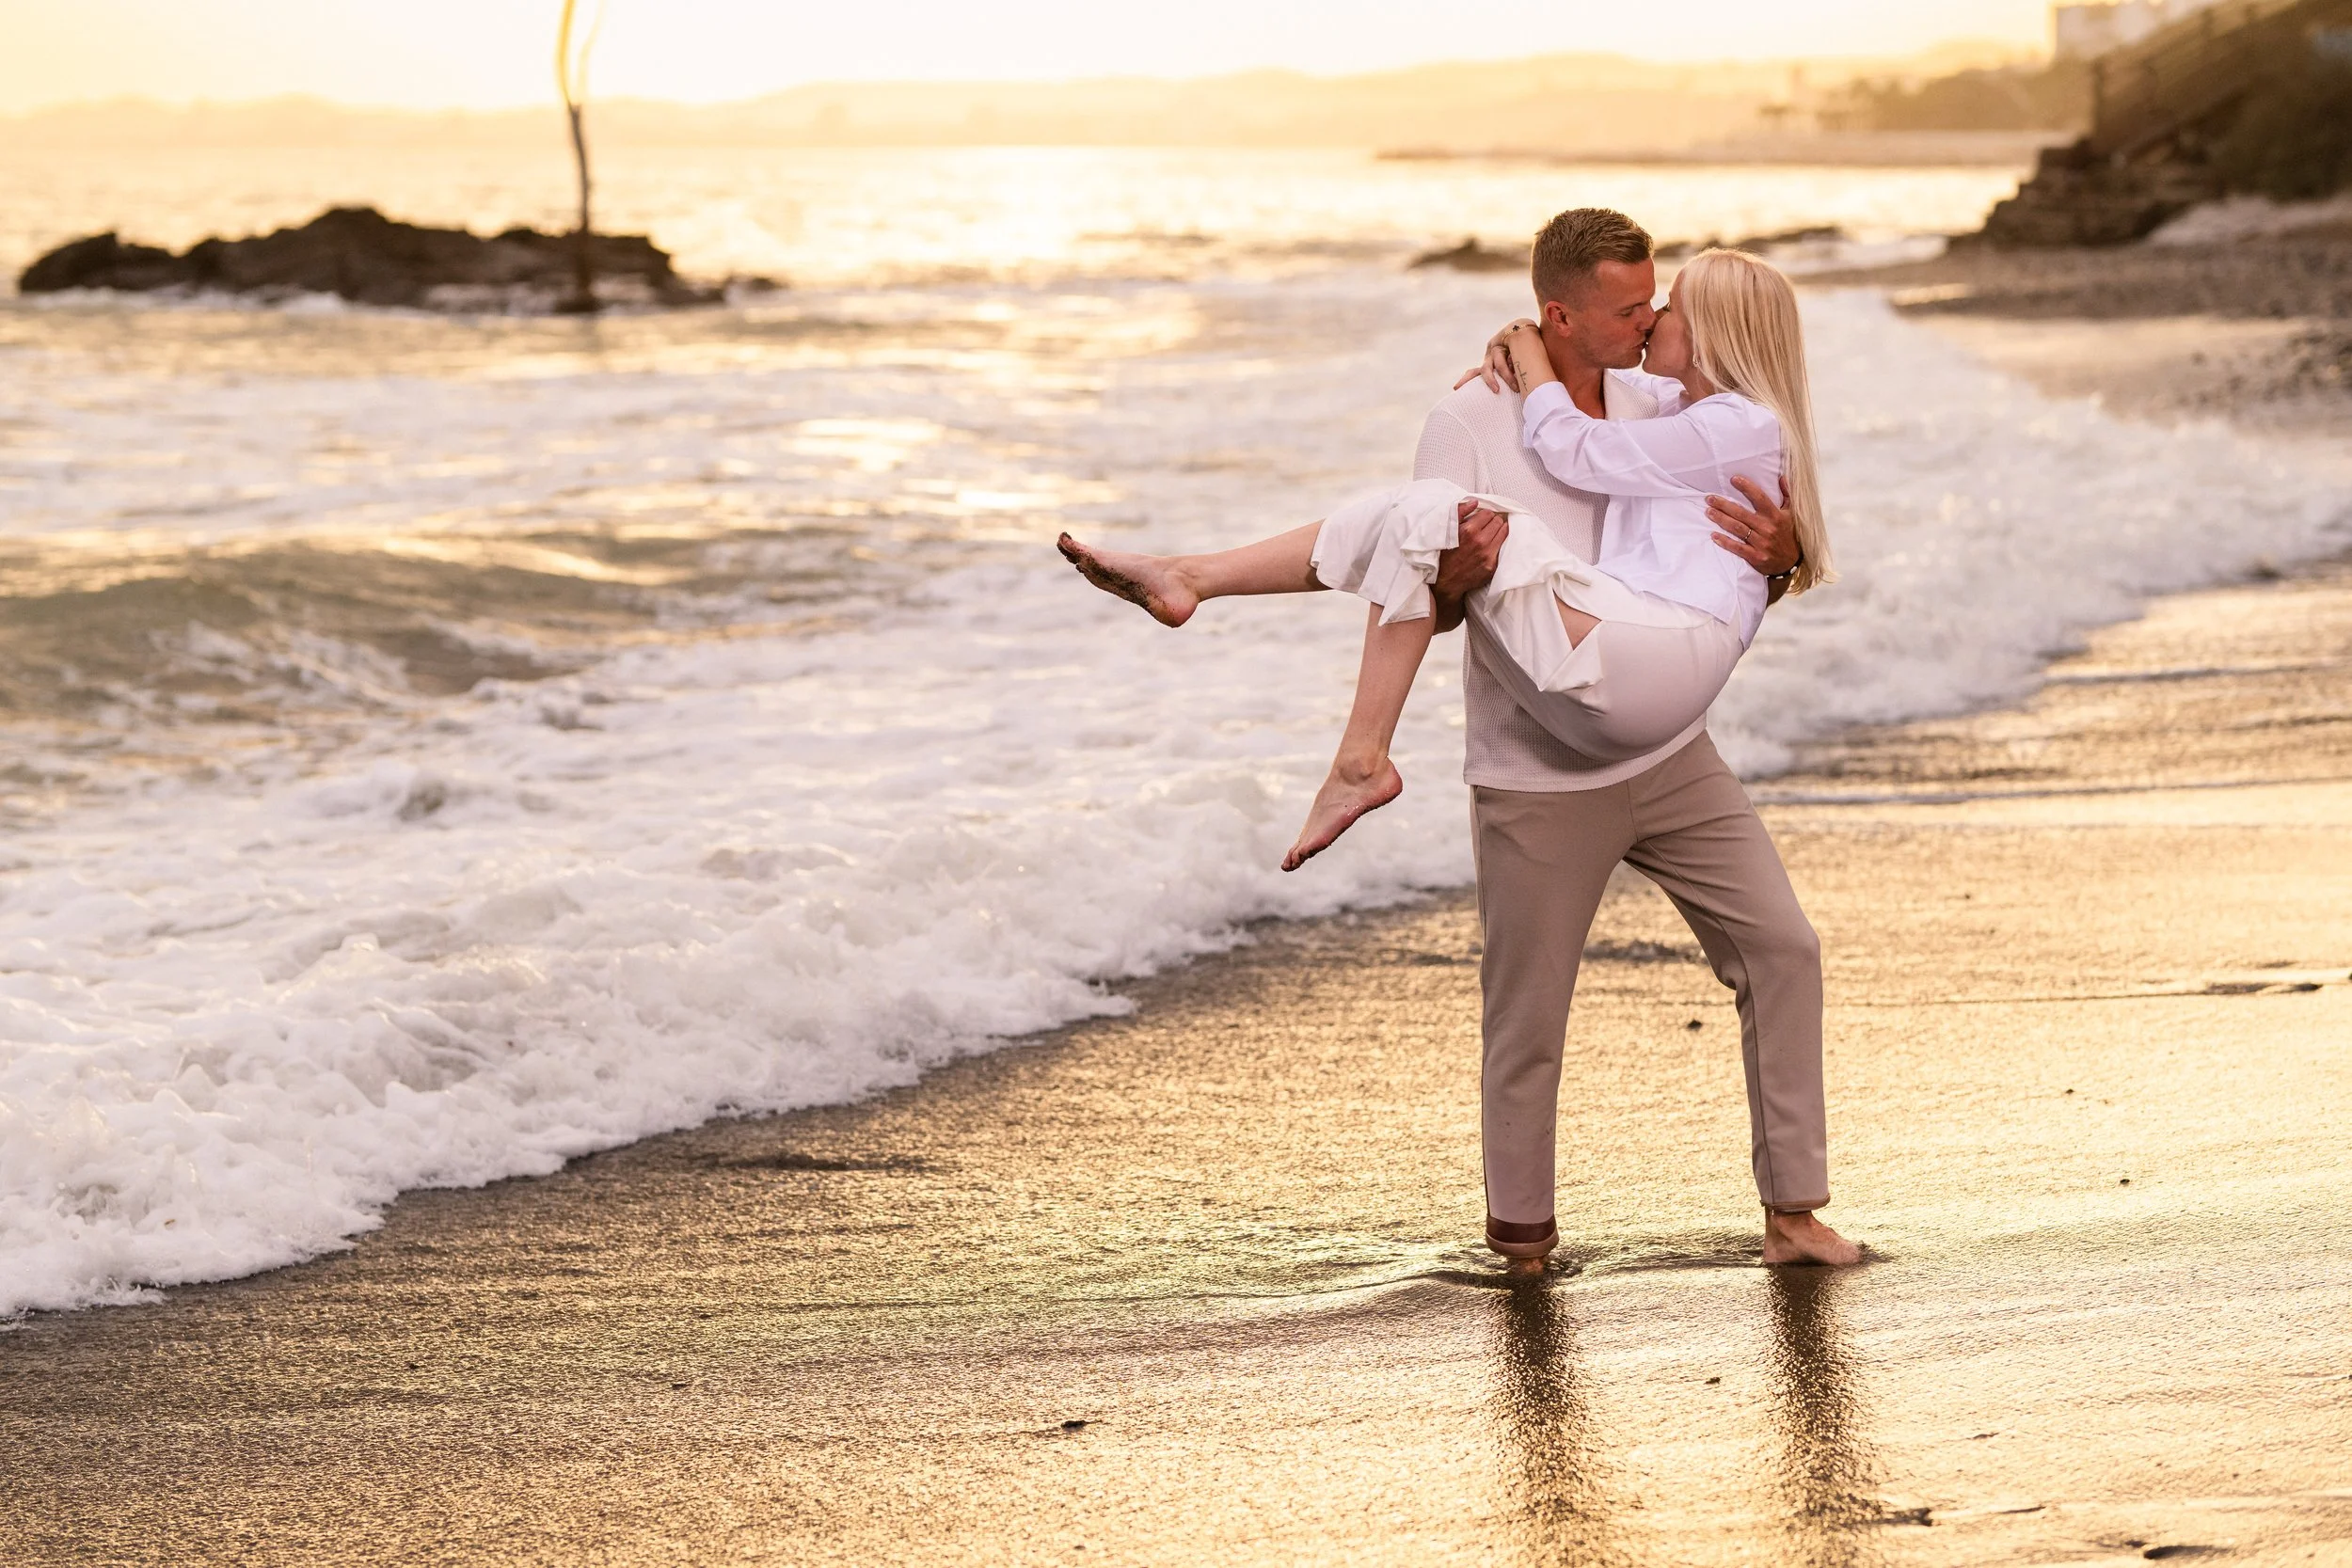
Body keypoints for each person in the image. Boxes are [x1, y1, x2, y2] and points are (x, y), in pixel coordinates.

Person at [1060, 208, 1859, 1272]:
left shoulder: (1650, 391)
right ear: (1555, 314)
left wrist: (1789, 548)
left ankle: (1795, 1214)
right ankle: (1521, 1246)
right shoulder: (1473, 418)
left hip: (1670, 751)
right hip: (1538, 766)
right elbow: (1420, 599)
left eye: (1656, 302)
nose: (1650, 319)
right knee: (1525, 1024)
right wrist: (1451, 578)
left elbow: (1741, 489)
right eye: (1629, 306)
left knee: (1783, 948)